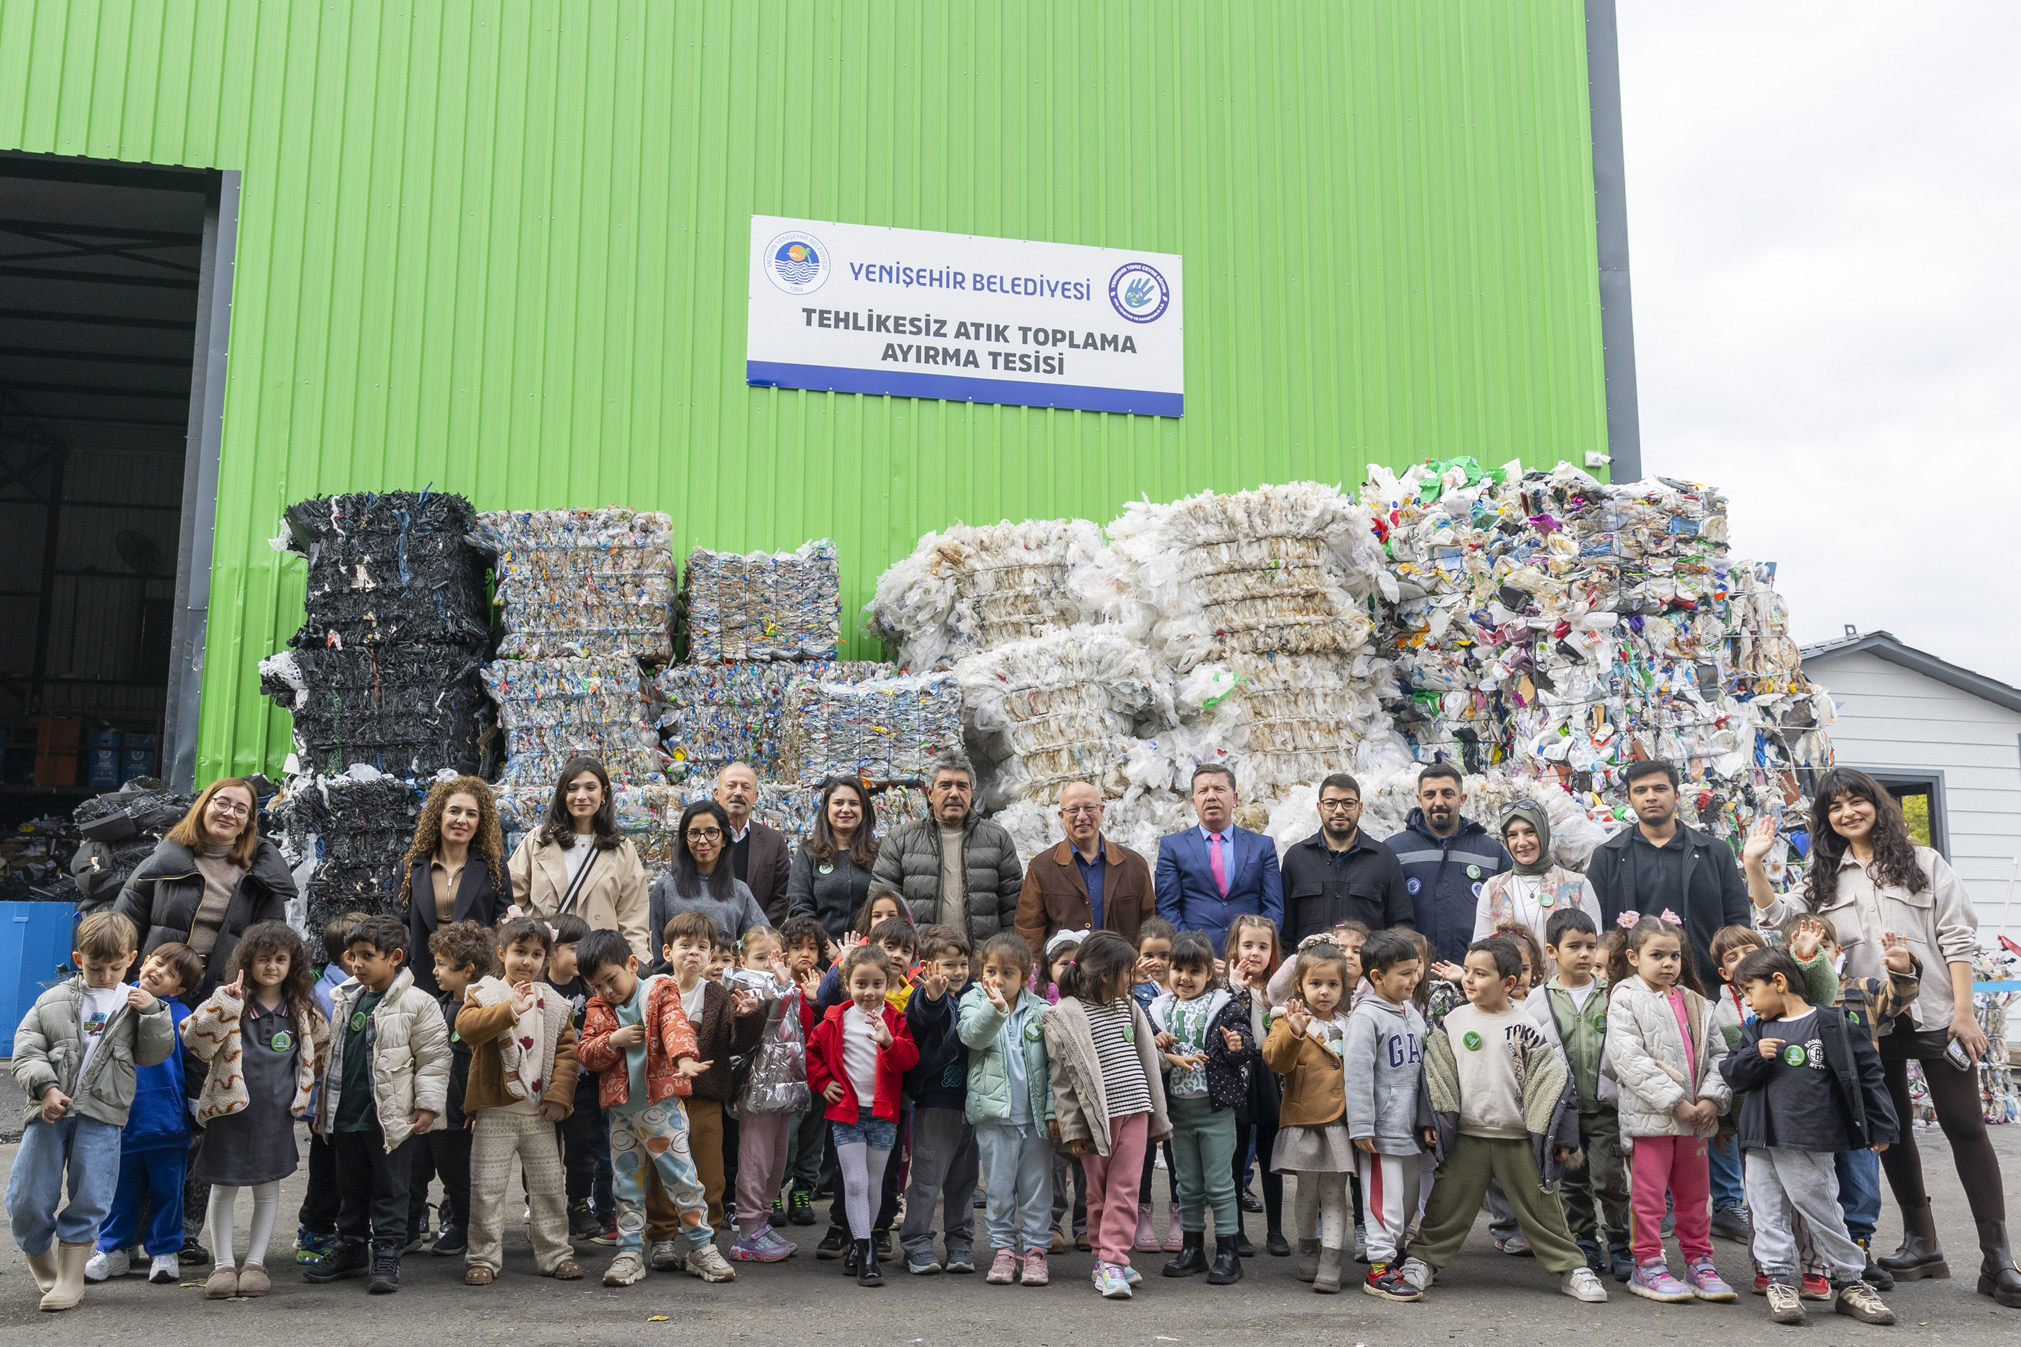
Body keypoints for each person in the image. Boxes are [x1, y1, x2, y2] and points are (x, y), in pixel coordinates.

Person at [1743, 768, 2017, 1305]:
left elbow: (1958, 938)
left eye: (1856, 801)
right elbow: (1778, 916)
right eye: (1835, 807)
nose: (1848, 813)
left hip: (1936, 1012)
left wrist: (1965, 1012)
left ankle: (1998, 1259)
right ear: (1826, 819)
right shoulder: (1823, 876)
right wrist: (1754, 863)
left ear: (1877, 803)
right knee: (1892, 1130)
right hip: (1865, 1023)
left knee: (1966, 1127)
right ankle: (1922, 1245)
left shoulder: (1924, 863)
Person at [1400, 935, 1604, 1304]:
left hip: (1519, 1139)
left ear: (1508, 983)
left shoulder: (1528, 1025)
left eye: (1480, 974)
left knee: (1543, 1208)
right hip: (1466, 1138)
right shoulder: (1454, 1021)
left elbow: (1556, 1082)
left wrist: (1563, 1137)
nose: (1468, 979)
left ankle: (1572, 1267)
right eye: (1468, 970)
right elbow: (1435, 1075)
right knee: (1446, 1206)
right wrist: (1430, 1119)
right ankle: (1422, 1260)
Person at [1720, 946, 1899, 1326]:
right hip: (1759, 1141)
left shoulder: (1832, 1023)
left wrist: (1881, 1124)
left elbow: (1868, 1074)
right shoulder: (1756, 1031)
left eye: (1750, 990)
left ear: (1778, 982)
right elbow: (1732, 1075)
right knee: (1766, 1213)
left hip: (1809, 1139)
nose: (1748, 1001)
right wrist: (1755, 1055)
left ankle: (1850, 1281)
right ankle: (1778, 1281)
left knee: (1822, 1210)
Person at [8, 911, 175, 1312]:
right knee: (27, 1196)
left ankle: (71, 1279)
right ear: (78, 959)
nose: (106, 975)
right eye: (96, 967)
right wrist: (46, 1088)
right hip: (49, 1114)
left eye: (116, 967)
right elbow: (26, 1049)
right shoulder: (52, 999)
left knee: (91, 1196)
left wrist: (154, 1013)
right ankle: (43, 1264)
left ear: (131, 959)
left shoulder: (136, 1003)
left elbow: (153, 1054)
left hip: (103, 1113)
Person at [574, 930, 735, 1288]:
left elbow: (675, 1026)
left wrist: (685, 1058)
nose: (607, 991)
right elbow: (585, 1053)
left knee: (682, 1179)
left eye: (611, 979)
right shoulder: (598, 1008)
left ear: (632, 964)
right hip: (621, 1114)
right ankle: (630, 1252)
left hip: (661, 1109)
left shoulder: (659, 991)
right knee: (626, 1185)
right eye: (597, 986)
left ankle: (701, 1247)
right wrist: (611, 1041)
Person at [302, 915, 452, 1295]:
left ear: (394, 957)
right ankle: (351, 1247)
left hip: (389, 1119)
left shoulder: (418, 1003)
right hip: (347, 1115)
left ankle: (387, 1251)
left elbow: (434, 1058)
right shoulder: (346, 998)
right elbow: (333, 1059)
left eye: (367, 956)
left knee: (391, 1188)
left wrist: (427, 1105)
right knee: (350, 1186)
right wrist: (323, 1109)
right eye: (352, 956)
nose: (357, 964)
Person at [182, 922, 330, 1300]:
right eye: (263, 959)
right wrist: (224, 1004)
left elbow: (321, 1051)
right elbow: (195, 1041)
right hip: (229, 1116)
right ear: (247, 962)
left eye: (280, 959)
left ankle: (255, 1263)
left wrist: (305, 1098)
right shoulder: (229, 1000)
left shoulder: (302, 1010)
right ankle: (223, 1265)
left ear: (293, 965)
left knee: (267, 1189)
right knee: (223, 1188)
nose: (272, 966)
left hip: (274, 1117)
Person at [1783, 912, 1921, 1288]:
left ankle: (1859, 1250)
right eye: (1803, 946)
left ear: (1839, 950)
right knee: (1814, 1186)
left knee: (1861, 1184)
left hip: (1857, 1107)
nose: (1815, 951)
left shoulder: (1862, 989)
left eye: (1823, 945)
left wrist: (1902, 971)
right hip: (1811, 1109)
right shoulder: (1789, 999)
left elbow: (1898, 1000)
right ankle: (1817, 1257)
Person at [1604, 914, 1733, 1302]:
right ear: (1633, 956)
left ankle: (1699, 1262)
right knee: (1648, 1198)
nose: (1668, 964)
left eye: (1674, 956)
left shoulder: (1696, 1001)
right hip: (1653, 1119)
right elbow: (1628, 1058)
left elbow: (1719, 1055)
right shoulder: (1625, 998)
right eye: (1657, 955)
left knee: (1695, 1198)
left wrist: (1711, 1099)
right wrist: (1676, 1102)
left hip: (1696, 1121)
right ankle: (1647, 1264)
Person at [1044, 929, 1173, 1300]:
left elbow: (1146, 1054)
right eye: (1127, 971)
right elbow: (1063, 1081)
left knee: (1125, 1187)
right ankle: (1105, 1257)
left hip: (1136, 1110)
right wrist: (1071, 1128)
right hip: (1096, 1120)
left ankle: (1114, 1257)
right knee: (1099, 1191)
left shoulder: (1128, 1007)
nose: (1133, 978)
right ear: (1105, 974)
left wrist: (1171, 1061)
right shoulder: (1065, 1014)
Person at [456, 916, 581, 1285]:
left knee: (550, 1188)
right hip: (494, 1113)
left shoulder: (554, 1002)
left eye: (537, 954)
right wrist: (509, 1010)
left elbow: (567, 1054)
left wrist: (558, 1097)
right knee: (487, 1190)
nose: (527, 961)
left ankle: (556, 1254)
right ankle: (482, 1258)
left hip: (538, 1114)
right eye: (519, 952)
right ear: (501, 953)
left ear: (546, 958)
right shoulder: (485, 993)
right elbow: (466, 1029)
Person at [115, 776, 296, 1003]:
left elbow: (271, 947)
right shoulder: (163, 863)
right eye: (222, 803)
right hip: (152, 990)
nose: (229, 813)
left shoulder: (260, 877)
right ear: (203, 806)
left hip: (220, 996)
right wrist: (117, 986)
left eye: (241, 809)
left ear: (248, 822)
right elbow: (123, 929)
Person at [652, 911, 767, 1261]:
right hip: (662, 1098)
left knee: (709, 1171)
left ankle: (706, 1237)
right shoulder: (654, 989)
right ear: (667, 951)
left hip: (705, 1097)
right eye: (685, 945)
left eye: (703, 947)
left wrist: (748, 1016)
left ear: (711, 953)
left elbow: (736, 1043)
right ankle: (662, 1235)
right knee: (662, 1170)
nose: (694, 953)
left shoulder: (716, 994)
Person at [86, 942, 201, 1288]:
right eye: (159, 963)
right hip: (119, 1119)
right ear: (144, 960)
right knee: (117, 1191)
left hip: (166, 1122)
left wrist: (196, 1108)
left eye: (171, 974)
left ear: (178, 989)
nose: (159, 973)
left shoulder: (183, 1016)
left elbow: (195, 1066)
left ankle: (165, 1251)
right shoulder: (113, 999)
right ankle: (113, 1249)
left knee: (168, 1191)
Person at [806, 943, 921, 1287]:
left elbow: (909, 1061)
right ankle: (867, 1255)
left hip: (884, 1114)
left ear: (888, 983)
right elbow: (812, 1055)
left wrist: (889, 1042)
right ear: (847, 984)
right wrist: (822, 1082)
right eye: (861, 984)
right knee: (854, 1182)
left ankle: (860, 1244)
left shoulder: (896, 1021)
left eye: (877, 984)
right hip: (847, 1112)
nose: (869, 992)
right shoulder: (834, 1019)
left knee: (873, 1183)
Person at [1527, 909, 1632, 1282]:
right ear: (1552, 951)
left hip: (1605, 1107)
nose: (1584, 953)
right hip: (1564, 1111)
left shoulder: (1613, 993)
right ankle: (1584, 1241)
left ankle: (1621, 1243)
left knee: (1609, 1179)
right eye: (1574, 946)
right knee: (1571, 1181)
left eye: (1590, 945)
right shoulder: (1539, 999)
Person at [1148, 932, 1257, 1286]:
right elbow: (1146, 1048)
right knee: (1187, 1183)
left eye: (1194, 971)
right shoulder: (1159, 1009)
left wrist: (1237, 1044)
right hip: (1178, 1111)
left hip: (1215, 1110)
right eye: (1178, 969)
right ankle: (1192, 1248)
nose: (1185, 978)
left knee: (1220, 1183)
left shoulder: (1225, 1005)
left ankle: (1227, 1251)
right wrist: (1156, 1041)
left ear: (1209, 973)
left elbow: (1245, 1044)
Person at [1585, 758, 1749, 984]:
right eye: (1640, 790)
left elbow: (1737, 923)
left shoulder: (1714, 853)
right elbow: (1595, 929)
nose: (1650, 796)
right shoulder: (1608, 856)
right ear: (1629, 800)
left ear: (1677, 795)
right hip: (1632, 987)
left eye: (1660, 788)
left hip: (1705, 984)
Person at [960, 932, 1055, 1287]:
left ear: (1026, 976)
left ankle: (1036, 1251)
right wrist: (995, 1009)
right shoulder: (973, 1000)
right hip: (994, 1117)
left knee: (1036, 1190)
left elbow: (1054, 1067)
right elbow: (972, 1036)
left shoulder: (1042, 1010)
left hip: (1033, 1120)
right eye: (991, 971)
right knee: (998, 1191)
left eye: (1008, 973)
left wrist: (1052, 1111)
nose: (997, 980)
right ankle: (1003, 1250)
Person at [1263, 939, 1357, 1294]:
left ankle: (1331, 1261)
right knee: (1306, 1190)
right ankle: (1307, 1250)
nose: (1324, 991)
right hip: (1303, 1120)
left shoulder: (1351, 1023)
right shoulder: (1286, 1020)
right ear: (1300, 985)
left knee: (1335, 1193)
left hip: (1339, 1122)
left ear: (1343, 986)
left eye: (1333, 984)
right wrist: (1294, 1032)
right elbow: (1276, 1062)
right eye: (1315, 983)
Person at [1343, 931, 1429, 1300]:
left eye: (1415, 971)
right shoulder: (1366, 1017)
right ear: (1377, 977)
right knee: (1384, 1203)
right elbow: (1357, 1074)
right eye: (1405, 973)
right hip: (1380, 1132)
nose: (1413, 979)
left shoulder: (1411, 1012)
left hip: (1410, 1129)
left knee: (1406, 1203)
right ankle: (1379, 1269)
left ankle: (1394, 1258)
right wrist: (1362, 1124)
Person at [726, 924, 816, 1262]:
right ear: (743, 960)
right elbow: (768, 1024)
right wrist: (780, 986)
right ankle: (747, 1231)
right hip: (758, 1089)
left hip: (785, 1085)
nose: (769, 964)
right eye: (761, 957)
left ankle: (762, 1223)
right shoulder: (743, 984)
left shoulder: (785, 983)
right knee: (756, 1159)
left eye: (775, 957)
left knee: (777, 1160)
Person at [509, 755, 651, 965]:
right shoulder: (538, 840)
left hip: (599, 963)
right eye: (572, 788)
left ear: (603, 794)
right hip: (545, 961)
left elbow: (633, 916)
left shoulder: (621, 848)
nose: (581, 796)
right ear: (562, 795)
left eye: (590, 788)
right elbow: (511, 900)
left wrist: (637, 964)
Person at [873, 754, 1023, 949]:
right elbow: (882, 906)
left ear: (972, 793)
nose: (954, 794)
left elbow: (1013, 908)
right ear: (929, 793)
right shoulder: (900, 840)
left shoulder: (997, 839)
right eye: (945, 786)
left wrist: (1004, 956)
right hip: (919, 961)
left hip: (982, 961)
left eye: (962, 786)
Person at [897, 925, 980, 1276]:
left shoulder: (975, 995)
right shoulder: (925, 994)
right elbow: (922, 1015)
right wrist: (933, 997)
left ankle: (960, 1243)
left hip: (972, 1103)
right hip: (936, 1102)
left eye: (963, 964)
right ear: (928, 966)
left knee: (964, 1180)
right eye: (949, 965)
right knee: (928, 1179)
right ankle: (916, 1244)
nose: (958, 972)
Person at [1380, 763, 1509, 969]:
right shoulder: (1394, 850)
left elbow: (1507, 915)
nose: (1438, 802)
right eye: (1430, 795)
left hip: (1475, 973)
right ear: (1419, 800)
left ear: (1462, 799)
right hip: (1412, 974)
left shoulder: (1491, 851)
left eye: (1447, 794)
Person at [1014, 780, 1157, 965]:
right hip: (1067, 976)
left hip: (1121, 972)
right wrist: (1041, 975)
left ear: (1102, 811)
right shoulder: (1042, 868)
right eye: (1073, 810)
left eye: (1089, 808)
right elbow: (1029, 931)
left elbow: (1148, 926)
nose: (1082, 816)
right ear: (1061, 816)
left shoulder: (1133, 865)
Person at [296, 911, 367, 1264]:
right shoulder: (326, 996)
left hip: (351, 1100)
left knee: (347, 1168)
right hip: (327, 1102)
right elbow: (320, 1055)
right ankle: (315, 1230)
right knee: (327, 1170)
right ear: (349, 956)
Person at [1154, 765, 1284, 955]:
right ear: (1194, 801)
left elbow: (1274, 909)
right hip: (1195, 960)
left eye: (1219, 789)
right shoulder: (1173, 846)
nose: (1211, 796)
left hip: (1249, 959)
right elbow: (1167, 909)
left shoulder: (1261, 846)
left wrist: (1253, 949)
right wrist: (1194, 952)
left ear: (1235, 798)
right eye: (1203, 791)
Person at [399, 776, 510, 996]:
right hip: (422, 980)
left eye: (471, 814)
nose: (462, 820)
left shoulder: (494, 867)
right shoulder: (411, 867)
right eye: (454, 811)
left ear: (480, 822)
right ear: (438, 816)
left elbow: (503, 926)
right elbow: (401, 926)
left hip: (475, 981)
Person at [418, 920, 490, 1258]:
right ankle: (411, 1223)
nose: (435, 971)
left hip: (463, 1111)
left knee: (460, 1174)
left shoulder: (485, 1009)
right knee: (423, 1165)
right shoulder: (438, 1004)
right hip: (437, 1105)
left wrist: (475, 1107)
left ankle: (463, 1225)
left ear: (467, 970)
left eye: (442, 965)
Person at [1474, 800, 1601, 976]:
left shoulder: (1577, 885)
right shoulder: (1494, 888)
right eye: (1512, 835)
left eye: (1529, 832)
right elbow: (1480, 949)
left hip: (1565, 988)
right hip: (1511, 989)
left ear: (1543, 832)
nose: (1521, 842)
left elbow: (1596, 947)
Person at [1280, 772, 1412, 941]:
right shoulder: (1296, 859)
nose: (1339, 810)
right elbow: (1286, 931)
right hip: (1310, 959)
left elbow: (1402, 926)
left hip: (1366, 959)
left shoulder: (1384, 860)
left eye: (1348, 803)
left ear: (1360, 807)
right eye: (1331, 803)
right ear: (1319, 807)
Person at [1223, 913, 1285, 1257]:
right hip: (1238, 1075)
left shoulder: (1277, 990)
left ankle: (1275, 1231)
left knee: (1270, 1155)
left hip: (1269, 1073)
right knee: (1236, 1156)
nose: (1254, 953)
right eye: (1247, 945)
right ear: (1234, 948)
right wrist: (1235, 986)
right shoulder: (1226, 988)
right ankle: (1237, 1231)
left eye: (1263, 946)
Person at [649, 800, 768, 963]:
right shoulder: (666, 887)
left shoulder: (739, 891)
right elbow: (655, 945)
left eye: (711, 832)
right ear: (685, 839)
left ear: (724, 839)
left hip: (725, 978)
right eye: (694, 833)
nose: (702, 840)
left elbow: (763, 942)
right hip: (676, 978)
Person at [776, 914, 832, 1229]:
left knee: (813, 1139)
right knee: (787, 1138)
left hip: (819, 1075)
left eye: (812, 947)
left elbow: (832, 1023)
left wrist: (818, 999)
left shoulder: (827, 984)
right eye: (797, 947)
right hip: (787, 1075)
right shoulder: (780, 982)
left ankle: (802, 1192)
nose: (805, 954)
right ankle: (774, 1192)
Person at [786, 775, 881, 941]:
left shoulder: (879, 853)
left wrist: (863, 950)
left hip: (869, 951)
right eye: (838, 803)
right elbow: (799, 907)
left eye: (854, 803)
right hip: (819, 950)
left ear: (864, 809)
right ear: (826, 809)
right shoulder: (808, 853)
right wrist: (831, 951)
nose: (846, 809)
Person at [713, 762, 793, 922]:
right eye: (731, 786)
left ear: (755, 797)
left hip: (760, 933)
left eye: (746, 787)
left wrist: (759, 930)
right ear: (717, 793)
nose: (738, 793)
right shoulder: (698, 839)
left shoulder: (773, 842)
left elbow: (783, 895)